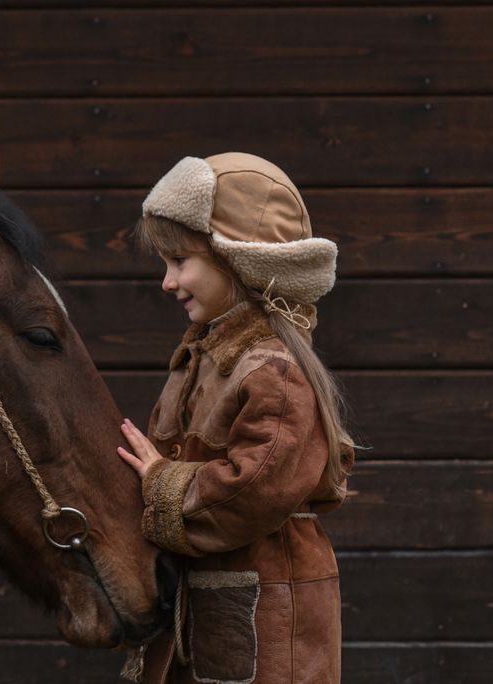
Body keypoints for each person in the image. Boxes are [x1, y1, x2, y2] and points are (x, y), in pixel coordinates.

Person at [117, 153, 356, 684]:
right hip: (205, 617)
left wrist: (159, 483)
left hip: (265, 632)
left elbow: (253, 491)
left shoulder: (272, 372)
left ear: (238, 260)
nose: (167, 281)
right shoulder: (200, 359)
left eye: (180, 260)